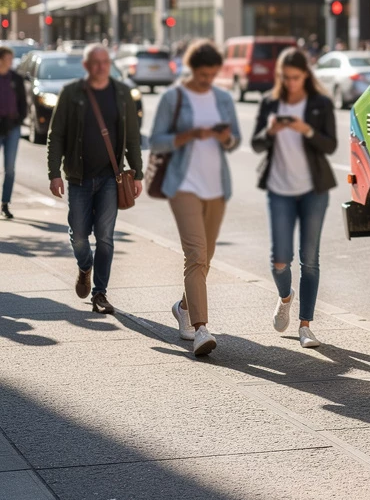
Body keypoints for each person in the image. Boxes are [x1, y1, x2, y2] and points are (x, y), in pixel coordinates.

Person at [149, 40, 241, 357]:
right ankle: (201, 328)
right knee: (196, 254)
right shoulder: (173, 98)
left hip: (215, 186)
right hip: (183, 185)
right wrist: (189, 135)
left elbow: (234, 139)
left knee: (207, 256)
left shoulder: (222, 98)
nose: (207, 80)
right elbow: (157, 140)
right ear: (192, 69)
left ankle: (183, 307)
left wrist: (223, 136)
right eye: (203, 74)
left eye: (212, 75)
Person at [47, 44, 143, 313]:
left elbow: (133, 138)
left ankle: (100, 294)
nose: (101, 66)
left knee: (105, 237)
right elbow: (56, 136)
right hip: (78, 178)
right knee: (78, 237)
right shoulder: (71, 93)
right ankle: (84, 265)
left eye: (105, 61)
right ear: (86, 66)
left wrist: (137, 173)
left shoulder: (122, 93)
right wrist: (54, 173)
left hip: (110, 179)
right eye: (95, 62)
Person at [251, 47, 337, 349]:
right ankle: (285, 297)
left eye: (296, 77)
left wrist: (308, 130)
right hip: (280, 190)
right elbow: (257, 145)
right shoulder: (270, 102)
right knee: (279, 260)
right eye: (285, 78)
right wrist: (270, 131)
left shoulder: (321, 103)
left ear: (306, 75)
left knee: (309, 260)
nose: (291, 83)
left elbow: (329, 146)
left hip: (314, 190)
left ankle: (305, 325)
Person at [0, 46, 27, 219]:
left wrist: (17, 121)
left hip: (12, 128)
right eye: (9, 59)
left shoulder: (16, 79)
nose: (11, 62)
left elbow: (23, 104)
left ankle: (5, 203)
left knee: (10, 168)